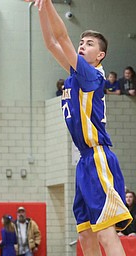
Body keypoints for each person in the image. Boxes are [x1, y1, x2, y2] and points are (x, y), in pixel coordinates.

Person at [28, 0, 133, 255]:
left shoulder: (93, 75)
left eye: (89, 44)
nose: (82, 45)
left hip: (98, 157)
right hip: (84, 161)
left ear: (100, 55)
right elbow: (51, 44)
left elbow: (62, 37)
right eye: (81, 42)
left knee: (106, 234)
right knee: (85, 234)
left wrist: (49, 3)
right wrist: (41, 9)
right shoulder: (76, 74)